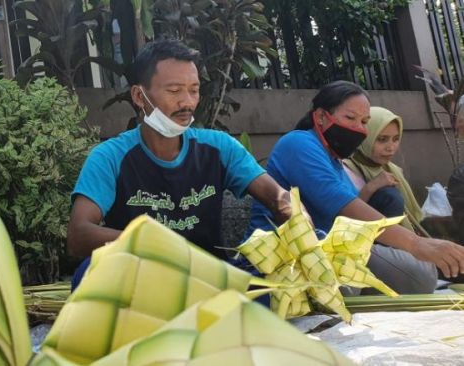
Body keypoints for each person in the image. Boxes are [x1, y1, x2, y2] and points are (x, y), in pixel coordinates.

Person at [67, 39, 293, 284]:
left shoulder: (219, 147)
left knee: (271, 284)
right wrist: (151, 243)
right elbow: (79, 236)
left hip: (210, 280)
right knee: (89, 272)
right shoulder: (110, 157)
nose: (187, 102)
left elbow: (276, 198)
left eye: (194, 90)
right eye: (174, 91)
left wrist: (297, 220)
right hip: (142, 280)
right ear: (139, 96)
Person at [246, 80, 464, 294]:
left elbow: (354, 215)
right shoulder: (298, 144)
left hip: (337, 247)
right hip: (290, 251)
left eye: (364, 122)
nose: (359, 129)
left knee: (422, 274)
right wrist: (415, 244)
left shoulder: (335, 159)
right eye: (350, 118)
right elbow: (346, 206)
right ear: (321, 116)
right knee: (396, 278)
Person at [343, 107, 429, 236]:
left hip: (402, 239)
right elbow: (344, 217)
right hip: (366, 243)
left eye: (395, 139)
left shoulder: (392, 169)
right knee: (389, 195)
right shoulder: (346, 169)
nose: (391, 148)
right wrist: (371, 187)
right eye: (382, 139)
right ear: (364, 138)